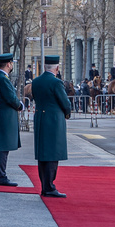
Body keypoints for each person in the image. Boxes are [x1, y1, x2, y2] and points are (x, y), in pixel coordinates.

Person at [31, 53, 72, 198]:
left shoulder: (35, 82)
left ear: (44, 66)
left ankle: (45, 185)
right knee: (53, 154)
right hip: (54, 121)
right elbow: (65, 103)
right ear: (57, 68)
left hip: (40, 119)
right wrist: (68, 112)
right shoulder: (56, 83)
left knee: (43, 154)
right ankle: (49, 187)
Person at [0, 52, 23, 187]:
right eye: (11, 63)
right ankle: (1, 177)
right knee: (3, 148)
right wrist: (20, 105)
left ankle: (1, 176)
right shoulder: (2, 79)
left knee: (3, 148)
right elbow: (11, 98)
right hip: (5, 117)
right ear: (9, 64)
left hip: (3, 116)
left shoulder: (0, 77)